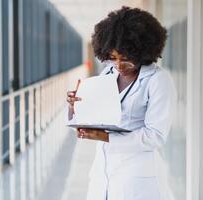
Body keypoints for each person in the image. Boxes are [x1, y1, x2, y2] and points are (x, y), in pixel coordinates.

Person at [66, 6, 177, 200]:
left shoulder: (158, 80)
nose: (118, 65)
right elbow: (95, 116)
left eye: (126, 59)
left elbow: (155, 136)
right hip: (103, 171)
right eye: (113, 57)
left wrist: (106, 137)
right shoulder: (108, 73)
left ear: (142, 52)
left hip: (137, 175)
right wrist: (76, 106)